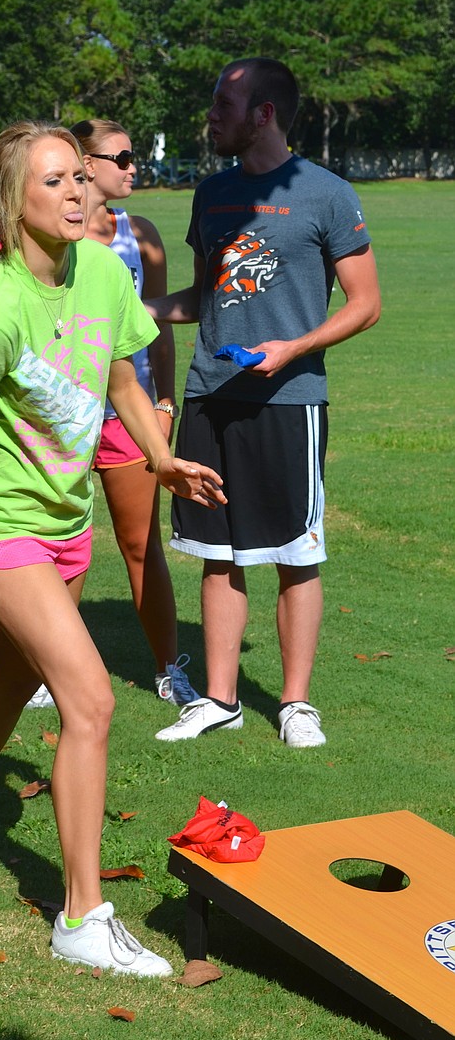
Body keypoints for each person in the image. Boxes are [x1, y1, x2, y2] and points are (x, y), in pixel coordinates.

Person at [0, 120, 225, 974]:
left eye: (77, 178)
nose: (74, 192)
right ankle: (82, 916)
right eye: (53, 181)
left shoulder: (101, 269)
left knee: (8, 681)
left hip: (64, 529)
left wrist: (161, 457)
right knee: (90, 700)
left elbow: (124, 379)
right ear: (9, 202)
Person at [146, 58, 381, 748]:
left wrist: (294, 347)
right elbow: (201, 297)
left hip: (290, 398)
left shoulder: (328, 194)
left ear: (265, 114)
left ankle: (296, 702)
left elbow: (366, 304)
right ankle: (219, 698)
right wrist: (136, 311)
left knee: (293, 552)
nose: (212, 116)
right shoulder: (212, 193)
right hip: (208, 395)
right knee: (217, 551)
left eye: (225, 104)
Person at [70, 118, 197, 709]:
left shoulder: (140, 233)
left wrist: (165, 403)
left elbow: (161, 331)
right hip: (64, 415)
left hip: (132, 412)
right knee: (57, 546)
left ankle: (170, 668)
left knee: (140, 544)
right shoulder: (52, 235)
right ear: (84, 162)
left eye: (133, 157)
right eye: (120, 158)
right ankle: (49, 668)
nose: (131, 167)